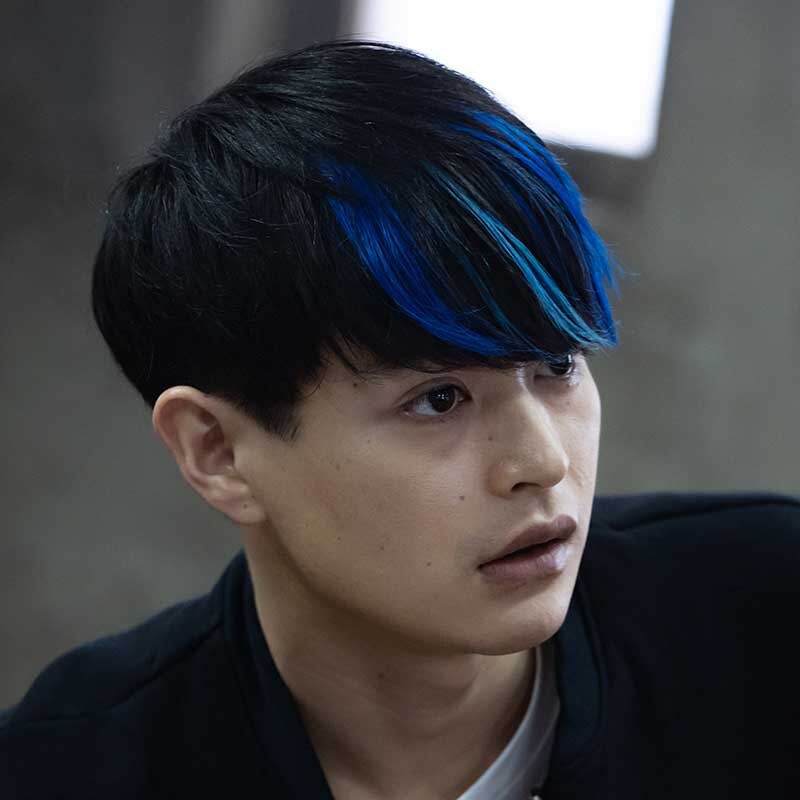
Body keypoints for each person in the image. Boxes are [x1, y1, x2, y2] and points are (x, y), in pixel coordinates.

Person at [1, 39, 798, 800]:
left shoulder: (762, 618)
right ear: (218, 452)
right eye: (439, 398)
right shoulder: (67, 770)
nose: (543, 461)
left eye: (556, 365)